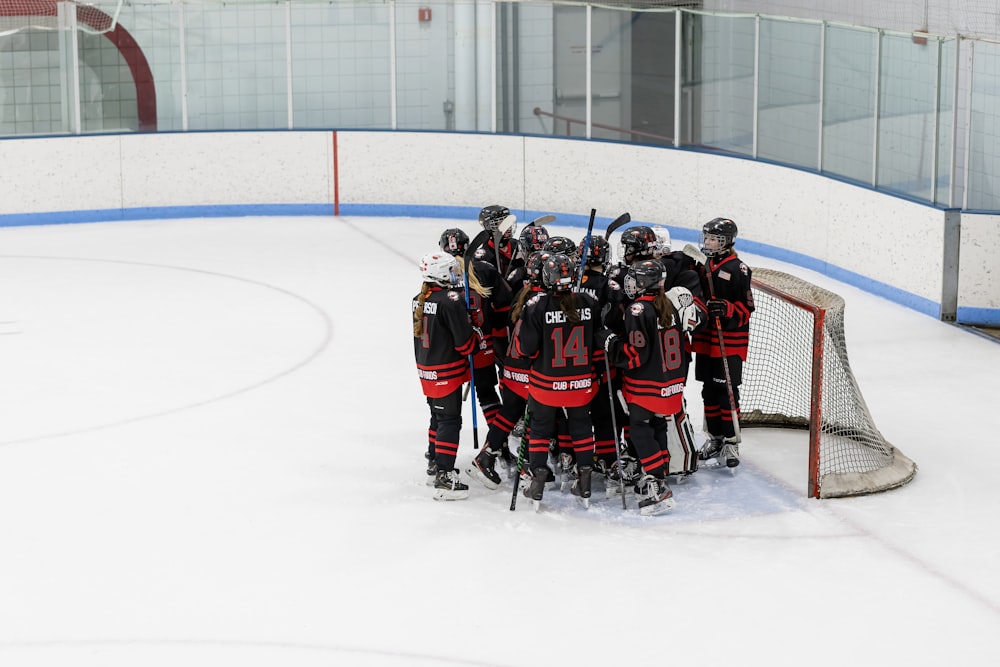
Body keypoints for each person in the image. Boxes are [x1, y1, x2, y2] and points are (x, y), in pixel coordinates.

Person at [597, 259, 701, 515]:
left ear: (644, 283)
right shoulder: (669, 304)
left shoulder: (637, 310)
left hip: (647, 386)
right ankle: (657, 471)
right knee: (657, 425)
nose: (629, 283)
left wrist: (609, 342)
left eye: (634, 278)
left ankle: (655, 482)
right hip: (672, 386)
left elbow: (634, 356)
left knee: (639, 428)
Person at [512, 253, 601, 509]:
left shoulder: (536, 304)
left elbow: (526, 348)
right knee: (582, 428)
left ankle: (538, 478)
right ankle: (584, 479)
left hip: (546, 385)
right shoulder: (589, 301)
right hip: (581, 385)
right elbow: (597, 340)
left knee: (540, 429)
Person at [466, 250, 550, 489]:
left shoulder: (521, 295)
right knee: (538, 414)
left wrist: (503, 361)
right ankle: (529, 468)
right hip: (529, 367)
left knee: (511, 410)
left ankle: (486, 455)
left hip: (512, 365)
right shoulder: (544, 302)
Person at [412, 251, 482, 500]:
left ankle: (434, 460)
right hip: (447, 372)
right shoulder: (451, 299)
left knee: (437, 417)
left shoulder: (418, 299)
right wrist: (474, 331)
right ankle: (444, 475)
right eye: (451, 270)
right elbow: (465, 345)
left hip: (427, 371)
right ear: (441, 274)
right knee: (450, 422)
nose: (455, 274)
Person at [692, 217, 754, 468]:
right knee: (708, 391)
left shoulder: (739, 269)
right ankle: (715, 437)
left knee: (727, 393)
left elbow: (747, 308)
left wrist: (727, 309)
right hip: (707, 340)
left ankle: (731, 441)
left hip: (729, 343)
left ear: (726, 242)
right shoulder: (702, 264)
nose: (707, 242)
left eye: (713, 239)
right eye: (706, 237)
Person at [439, 227, 513, 429]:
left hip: (449, 351)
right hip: (482, 345)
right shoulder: (485, 269)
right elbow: (505, 304)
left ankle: (440, 442)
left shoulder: (438, 273)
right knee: (487, 392)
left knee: (447, 399)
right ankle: (499, 439)